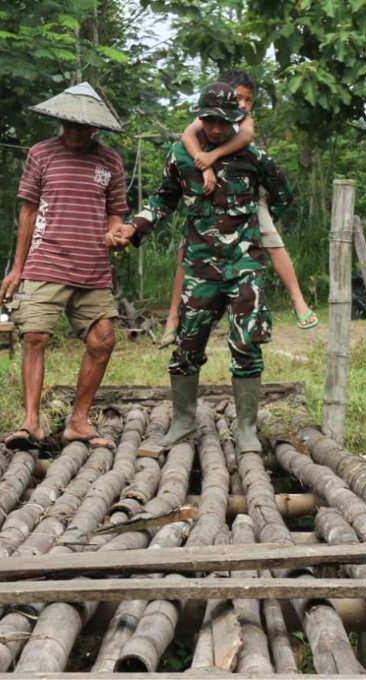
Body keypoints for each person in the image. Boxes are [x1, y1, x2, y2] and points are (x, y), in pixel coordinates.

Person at [109, 82, 295, 453]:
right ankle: (182, 423)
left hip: (245, 265)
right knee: (186, 346)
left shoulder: (254, 156)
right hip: (200, 266)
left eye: (223, 121)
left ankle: (246, 430)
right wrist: (134, 227)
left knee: (247, 345)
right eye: (209, 120)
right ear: (200, 117)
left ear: (236, 120)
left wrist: (253, 224)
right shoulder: (181, 156)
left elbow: (283, 194)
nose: (215, 128)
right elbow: (162, 200)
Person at [0, 82, 128, 451]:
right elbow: (28, 210)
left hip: (93, 268)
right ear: (60, 121)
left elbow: (114, 217)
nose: (76, 130)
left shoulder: (110, 161)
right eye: (70, 123)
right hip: (46, 261)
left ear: (95, 128)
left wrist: (116, 236)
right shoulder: (41, 154)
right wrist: (17, 268)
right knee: (35, 336)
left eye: (84, 125)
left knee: (103, 340)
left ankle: (78, 421)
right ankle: (31, 423)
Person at [156, 70, 316, 350]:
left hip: (249, 196)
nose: (242, 105)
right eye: (238, 98)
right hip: (210, 208)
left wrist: (211, 159)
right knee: (187, 253)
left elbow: (244, 142)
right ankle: (173, 317)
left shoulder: (244, 125)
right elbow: (187, 137)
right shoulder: (205, 120)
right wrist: (203, 167)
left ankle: (297, 298)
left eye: (248, 100)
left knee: (271, 240)